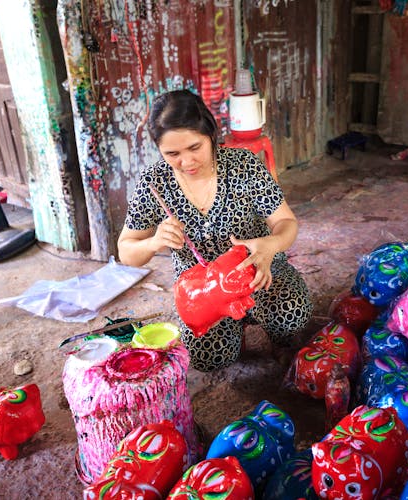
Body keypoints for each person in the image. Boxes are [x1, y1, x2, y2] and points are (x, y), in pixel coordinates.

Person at [118, 89, 313, 372]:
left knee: (290, 315)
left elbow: (286, 223)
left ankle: (272, 334)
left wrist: (271, 245)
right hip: (203, 293)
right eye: (172, 153)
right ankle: (235, 328)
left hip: (257, 272)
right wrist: (153, 242)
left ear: (210, 134)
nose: (186, 162)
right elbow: (126, 250)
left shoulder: (243, 166)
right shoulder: (154, 182)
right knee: (208, 358)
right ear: (159, 149)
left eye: (194, 148)